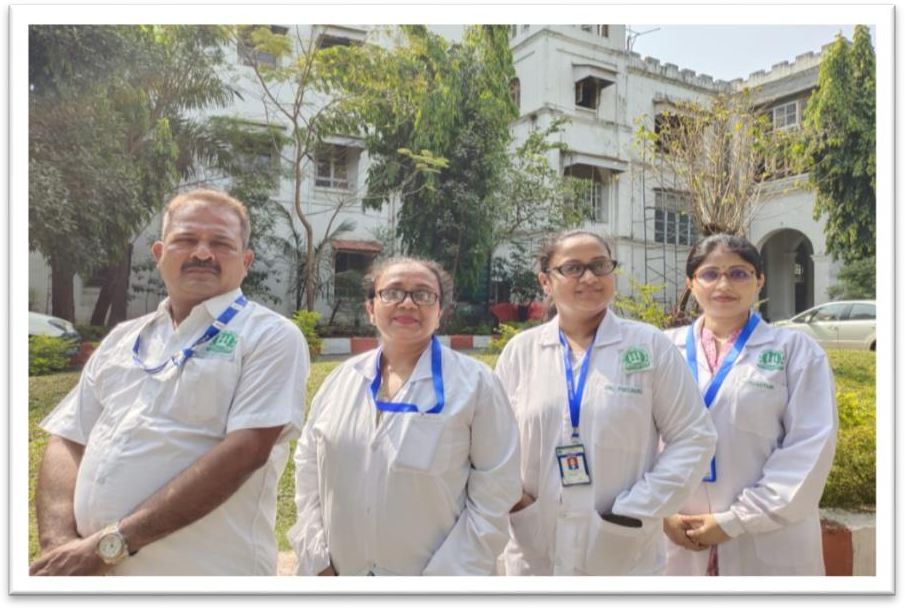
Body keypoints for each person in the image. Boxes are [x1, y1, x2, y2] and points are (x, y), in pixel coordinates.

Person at [31, 189, 310, 576]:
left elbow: (246, 451)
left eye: (220, 243)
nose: (202, 253)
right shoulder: (123, 338)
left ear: (245, 262)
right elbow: (68, 438)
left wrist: (110, 546)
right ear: (159, 254)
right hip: (91, 573)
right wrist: (59, 545)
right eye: (186, 239)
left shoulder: (269, 336)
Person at [495, 229, 717, 576]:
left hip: (623, 548)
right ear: (545, 281)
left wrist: (634, 509)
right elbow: (493, 445)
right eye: (573, 268)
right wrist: (519, 504)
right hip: (534, 546)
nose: (589, 277)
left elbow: (694, 437)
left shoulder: (649, 346)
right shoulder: (520, 352)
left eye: (600, 265)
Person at [290, 257, 521, 576]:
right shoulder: (340, 380)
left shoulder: (477, 384)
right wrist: (317, 561)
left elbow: (496, 493)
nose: (408, 303)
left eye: (423, 294)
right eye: (392, 292)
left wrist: (446, 577)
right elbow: (308, 470)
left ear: (440, 312)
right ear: (371, 309)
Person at [662, 233, 837, 576]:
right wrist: (661, 513)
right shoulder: (662, 350)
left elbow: (809, 448)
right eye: (710, 274)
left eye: (739, 273)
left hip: (765, 534)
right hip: (677, 534)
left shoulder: (796, 351)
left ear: (759, 281)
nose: (723, 284)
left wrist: (737, 520)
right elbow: (638, 442)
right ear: (691, 283)